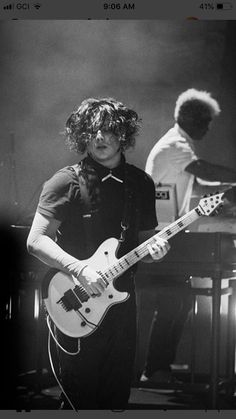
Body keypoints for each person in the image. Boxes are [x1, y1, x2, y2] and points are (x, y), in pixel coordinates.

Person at [26, 97, 170, 410]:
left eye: (108, 130)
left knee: (116, 395)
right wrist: (79, 268)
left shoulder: (140, 184)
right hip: (75, 298)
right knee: (80, 396)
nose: (100, 138)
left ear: (123, 135)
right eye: (92, 131)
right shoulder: (65, 181)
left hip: (121, 304)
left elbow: (142, 244)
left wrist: (154, 250)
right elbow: (36, 240)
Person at [141, 88, 236, 384]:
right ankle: (155, 369)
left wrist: (224, 196)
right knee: (174, 302)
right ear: (188, 117)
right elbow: (203, 170)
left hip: (169, 234)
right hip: (159, 237)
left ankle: (158, 369)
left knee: (177, 302)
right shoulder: (174, 145)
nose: (208, 128)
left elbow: (200, 183)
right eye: (205, 121)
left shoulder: (179, 145)